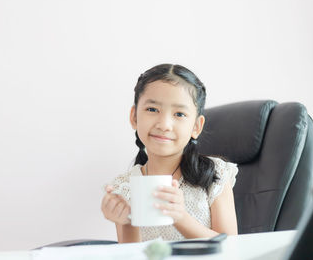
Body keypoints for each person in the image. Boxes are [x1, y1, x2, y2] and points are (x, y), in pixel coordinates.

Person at [101, 64, 238, 243]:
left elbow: (233, 248)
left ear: (196, 126)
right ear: (134, 117)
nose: (164, 124)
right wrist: (126, 222)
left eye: (179, 114)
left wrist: (181, 218)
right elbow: (132, 254)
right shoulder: (125, 187)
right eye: (152, 109)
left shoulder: (215, 175)